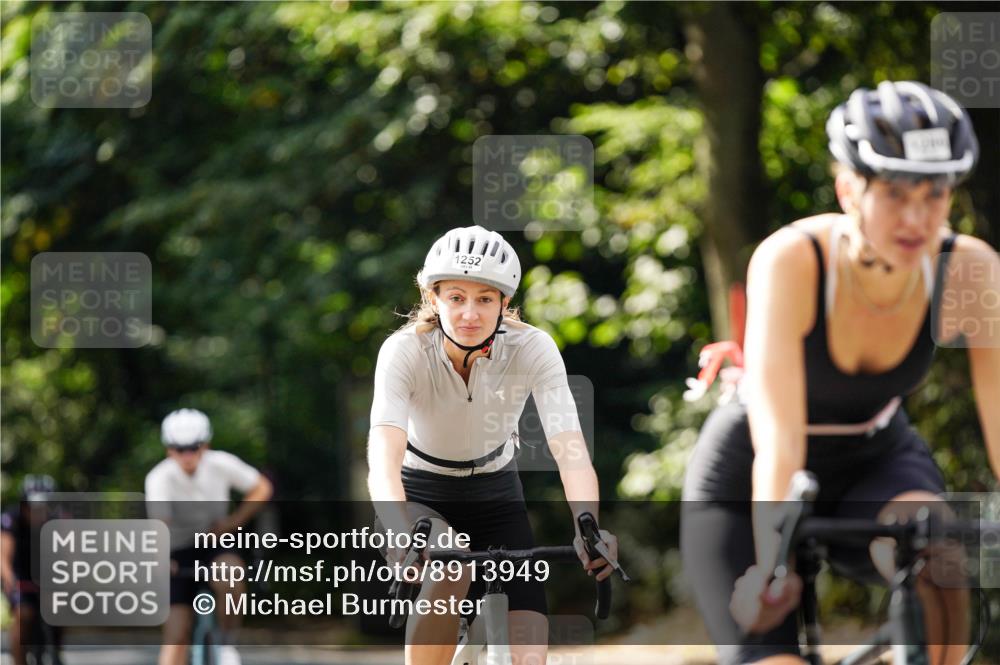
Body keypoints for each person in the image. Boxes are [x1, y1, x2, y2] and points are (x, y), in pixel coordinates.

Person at [681, 80, 1000, 665]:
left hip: (875, 458)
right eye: (895, 193)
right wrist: (770, 568)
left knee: (939, 559)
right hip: (753, 469)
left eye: (934, 194)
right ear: (849, 189)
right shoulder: (793, 259)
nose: (916, 217)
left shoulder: (970, 269)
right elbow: (780, 444)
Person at [368, 225, 619, 665]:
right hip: (422, 498)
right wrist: (398, 528)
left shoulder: (533, 348)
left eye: (485, 299)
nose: (470, 314)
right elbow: (384, 458)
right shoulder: (404, 351)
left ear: (504, 302)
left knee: (529, 657)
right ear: (433, 298)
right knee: (452, 567)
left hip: (497, 498)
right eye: (456, 297)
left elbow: (571, 451)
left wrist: (589, 527)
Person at [145, 408, 273, 665]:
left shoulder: (221, 464)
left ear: (206, 445)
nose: (187, 455)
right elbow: (159, 524)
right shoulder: (159, 478)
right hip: (177, 551)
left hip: (215, 542)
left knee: (231, 575)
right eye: (180, 449)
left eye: (194, 448)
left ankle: (226, 643)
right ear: (169, 450)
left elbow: (262, 487)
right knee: (175, 639)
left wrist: (233, 522)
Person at [1, 475, 62, 665]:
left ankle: (56, 650)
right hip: (19, 573)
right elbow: (3, 557)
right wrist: (9, 580)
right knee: (24, 615)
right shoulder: (11, 519)